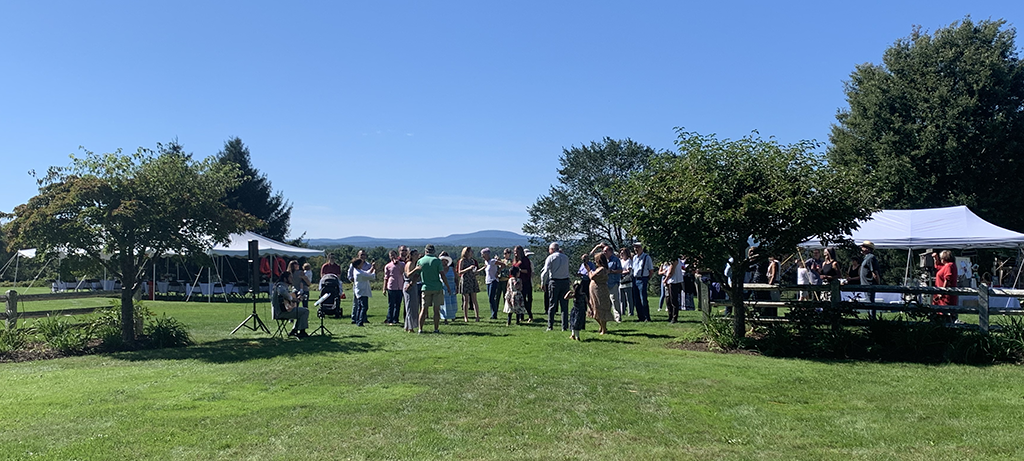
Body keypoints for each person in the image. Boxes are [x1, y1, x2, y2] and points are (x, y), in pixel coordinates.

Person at [418, 244, 452, 333]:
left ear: (425, 251)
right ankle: (436, 329)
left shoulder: (420, 261)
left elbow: (417, 274)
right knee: (436, 310)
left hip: (425, 287)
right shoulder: (437, 261)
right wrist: (448, 286)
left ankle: (420, 329)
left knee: (423, 309)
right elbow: (442, 275)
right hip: (437, 287)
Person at [541, 242, 571, 332]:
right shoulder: (565, 257)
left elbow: (545, 271)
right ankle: (564, 326)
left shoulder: (550, 257)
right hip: (565, 281)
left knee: (552, 304)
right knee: (564, 305)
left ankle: (550, 326)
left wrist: (543, 283)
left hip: (554, 282)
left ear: (552, 249)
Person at [271, 271, 309, 338]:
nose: (292, 279)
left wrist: (296, 298)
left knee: (301, 311)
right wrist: (292, 299)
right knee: (305, 311)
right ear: (285, 279)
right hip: (280, 312)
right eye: (290, 277)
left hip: (284, 310)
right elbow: (282, 292)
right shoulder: (280, 286)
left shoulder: (286, 286)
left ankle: (295, 330)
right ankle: (301, 332)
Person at [593, 244, 624, 323]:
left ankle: (618, 318)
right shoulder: (603, 260)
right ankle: (607, 317)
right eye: (603, 251)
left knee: (615, 300)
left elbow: (620, 270)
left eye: (606, 251)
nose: (604, 252)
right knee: (605, 301)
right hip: (604, 283)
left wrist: (611, 271)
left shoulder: (616, 260)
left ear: (611, 252)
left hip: (613, 282)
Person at [585, 252, 613, 334]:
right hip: (594, 291)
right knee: (593, 308)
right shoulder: (598, 269)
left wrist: (589, 270)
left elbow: (592, 277)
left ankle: (604, 329)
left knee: (600, 308)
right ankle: (601, 326)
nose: (595, 261)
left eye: (596, 260)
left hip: (600, 291)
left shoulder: (602, 269)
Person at [932, 250, 959, 320]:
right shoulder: (948, 265)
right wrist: (936, 258)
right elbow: (938, 266)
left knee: (945, 315)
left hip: (945, 296)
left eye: (941, 258)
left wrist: (942, 292)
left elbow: (947, 279)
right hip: (943, 296)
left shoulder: (949, 266)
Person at [631, 242, 654, 322]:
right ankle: (640, 317)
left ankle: (647, 317)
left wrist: (647, 279)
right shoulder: (634, 258)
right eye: (635, 248)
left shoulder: (647, 257)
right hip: (635, 279)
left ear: (642, 248)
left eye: (637, 247)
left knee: (643, 299)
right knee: (636, 299)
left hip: (643, 279)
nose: (636, 249)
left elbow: (651, 270)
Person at [457, 247, 481, 322]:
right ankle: (466, 317)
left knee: (474, 299)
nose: (472, 252)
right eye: (470, 251)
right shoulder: (462, 261)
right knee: (466, 300)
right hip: (465, 280)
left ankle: (477, 316)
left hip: (472, 279)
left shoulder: (472, 261)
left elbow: (474, 271)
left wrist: (479, 270)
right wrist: (469, 268)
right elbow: (459, 272)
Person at [350, 258, 376, 326]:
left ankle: (358, 320)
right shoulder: (359, 273)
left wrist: (372, 267)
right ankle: (360, 321)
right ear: (358, 265)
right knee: (364, 307)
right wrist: (374, 270)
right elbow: (371, 276)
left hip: (360, 291)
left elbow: (367, 272)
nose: (362, 265)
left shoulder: (357, 270)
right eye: (361, 264)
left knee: (360, 307)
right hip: (362, 292)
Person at [481, 248, 505, 320]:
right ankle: (493, 313)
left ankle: (494, 314)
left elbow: (503, 264)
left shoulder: (492, 261)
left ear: (487, 254)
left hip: (493, 281)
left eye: (483, 255)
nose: (482, 256)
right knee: (490, 298)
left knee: (491, 298)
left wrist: (498, 272)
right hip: (488, 281)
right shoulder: (486, 262)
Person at [348, 250, 372, 323]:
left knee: (363, 304)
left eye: (364, 255)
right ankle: (354, 318)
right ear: (358, 255)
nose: (363, 256)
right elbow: (350, 275)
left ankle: (363, 318)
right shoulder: (353, 265)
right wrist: (356, 281)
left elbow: (368, 274)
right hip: (357, 286)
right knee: (357, 303)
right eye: (361, 255)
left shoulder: (368, 265)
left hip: (365, 285)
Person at [383, 250, 405, 325]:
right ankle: (390, 319)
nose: (392, 256)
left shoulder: (402, 264)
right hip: (392, 286)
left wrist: (398, 264)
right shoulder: (388, 266)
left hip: (400, 286)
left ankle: (396, 319)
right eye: (391, 255)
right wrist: (384, 288)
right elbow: (386, 277)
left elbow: (403, 272)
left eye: (393, 255)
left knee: (398, 304)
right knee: (391, 304)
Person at [512, 245, 534, 322]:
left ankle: (530, 315)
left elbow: (528, 271)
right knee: (518, 300)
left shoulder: (525, 260)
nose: (515, 253)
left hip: (525, 282)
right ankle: (520, 316)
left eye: (517, 251)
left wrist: (520, 270)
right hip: (516, 282)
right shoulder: (515, 260)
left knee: (524, 299)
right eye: (514, 251)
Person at [403, 249, 423, 333]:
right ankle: (410, 327)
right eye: (415, 254)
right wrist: (416, 269)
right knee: (410, 306)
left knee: (414, 306)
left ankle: (408, 326)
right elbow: (408, 274)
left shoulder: (415, 263)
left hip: (413, 285)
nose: (417, 256)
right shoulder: (410, 263)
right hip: (408, 285)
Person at [664, 255, 684, 323]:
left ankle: (674, 317)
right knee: (668, 300)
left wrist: (665, 280)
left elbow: (671, 272)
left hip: (674, 281)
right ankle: (670, 316)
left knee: (673, 300)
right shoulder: (671, 260)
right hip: (670, 282)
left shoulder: (675, 260)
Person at [439, 252, 458, 323]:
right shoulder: (439, 270)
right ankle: (445, 318)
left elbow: (456, 278)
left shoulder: (451, 269)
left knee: (453, 302)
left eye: (445, 260)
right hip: (443, 288)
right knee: (444, 303)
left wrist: (457, 287)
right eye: (442, 260)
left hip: (452, 287)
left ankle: (453, 316)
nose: (444, 262)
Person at [618, 247, 635, 317]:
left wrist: (621, 272)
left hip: (627, 281)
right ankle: (622, 312)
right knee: (621, 298)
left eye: (623, 253)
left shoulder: (628, 261)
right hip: (620, 281)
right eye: (621, 253)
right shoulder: (620, 261)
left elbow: (629, 270)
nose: (621, 254)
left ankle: (630, 312)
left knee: (629, 298)